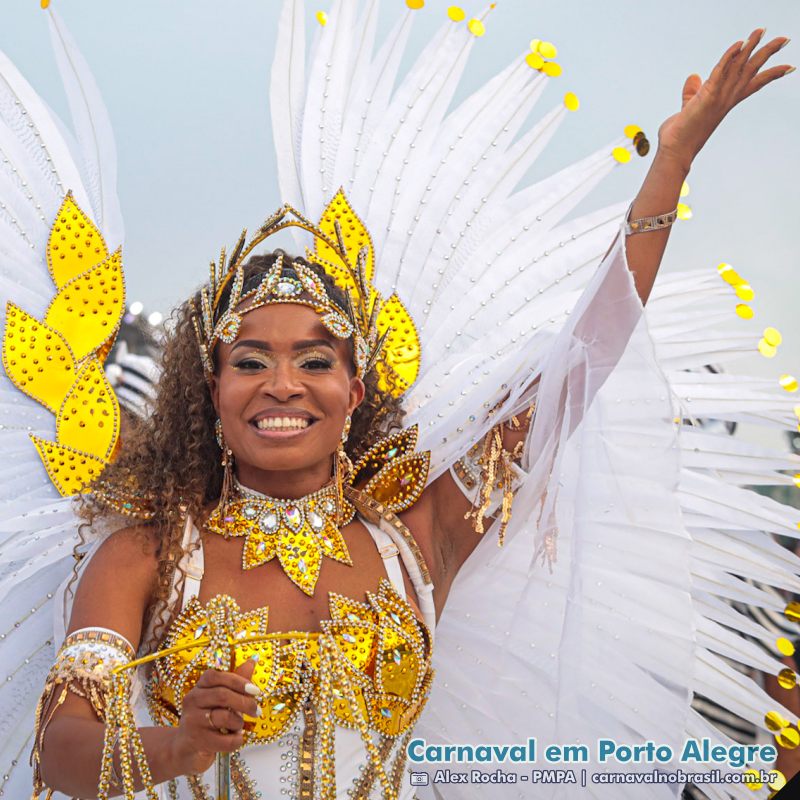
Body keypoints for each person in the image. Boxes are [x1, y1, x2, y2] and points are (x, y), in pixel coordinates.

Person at [0, 5, 796, 799]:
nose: (284, 384)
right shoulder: (146, 555)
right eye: (251, 361)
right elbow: (62, 750)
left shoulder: (418, 541)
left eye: (316, 359)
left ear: (354, 389)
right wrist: (174, 747)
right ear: (212, 393)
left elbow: (577, 368)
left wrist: (670, 167)